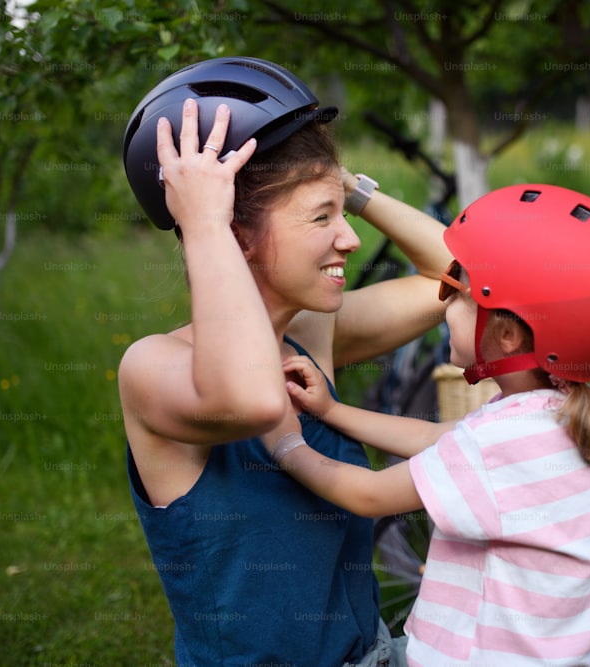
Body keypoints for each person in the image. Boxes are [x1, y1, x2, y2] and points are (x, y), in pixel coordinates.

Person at [118, 57, 452, 666]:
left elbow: (461, 278)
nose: (350, 238)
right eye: (323, 218)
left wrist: (348, 186)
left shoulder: (309, 335)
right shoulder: (152, 368)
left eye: (341, 214)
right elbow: (252, 401)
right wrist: (204, 225)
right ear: (237, 235)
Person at [262, 184, 590, 666]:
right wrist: (330, 410)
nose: (442, 304)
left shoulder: (503, 440)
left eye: (455, 292)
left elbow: (367, 495)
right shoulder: (553, 415)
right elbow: (435, 439)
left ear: (508, 334)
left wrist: (284, 442)